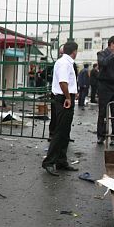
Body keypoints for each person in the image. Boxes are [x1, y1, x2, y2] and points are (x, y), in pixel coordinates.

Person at [42, 41, 80, 176]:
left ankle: (61, 161)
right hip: (63, 100)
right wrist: (68, 97)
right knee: (60, 132)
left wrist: (73, 92)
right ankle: (49, 161)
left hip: (65, 98)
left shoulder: (66, 62)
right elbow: (63, 82)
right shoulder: (64, 63)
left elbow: (68, 82)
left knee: (65, 132)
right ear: (74, 51)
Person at [96, 36, 114, 145]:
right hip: (105, 87)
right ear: (111, 44)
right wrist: (111, 54)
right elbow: (103, 64)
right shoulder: (101, 54)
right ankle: (101, 135)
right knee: (102, 113)